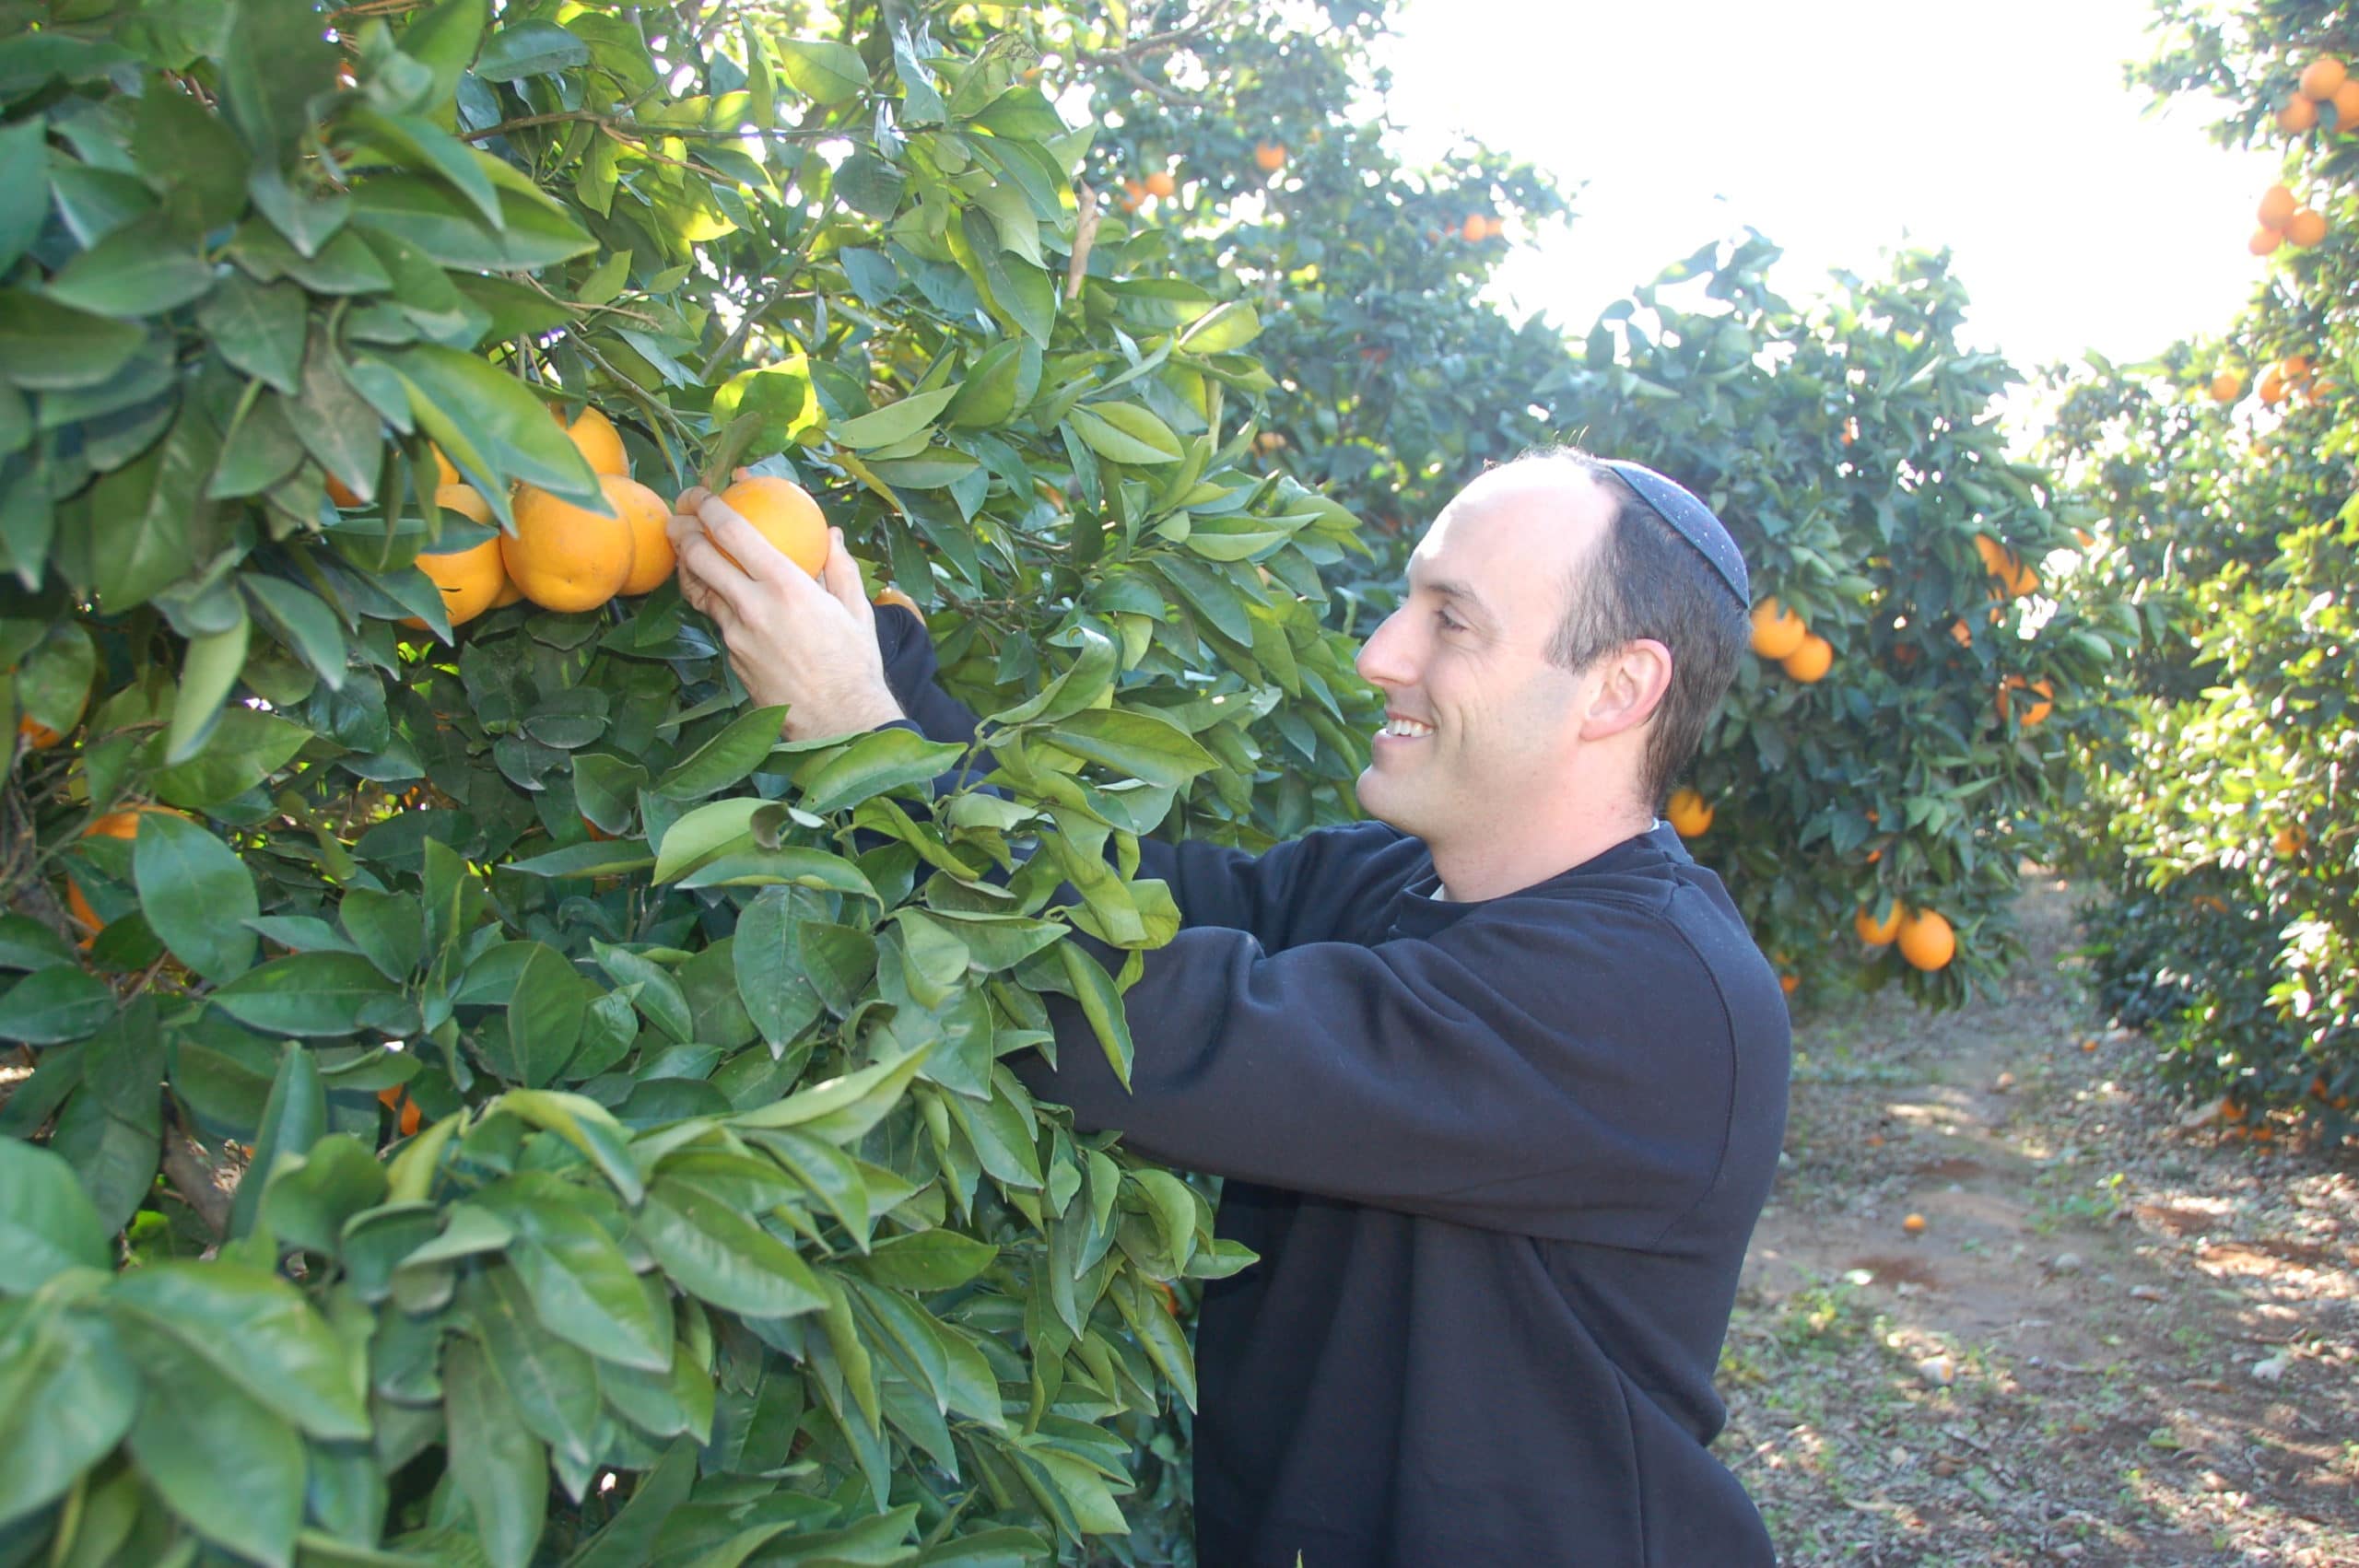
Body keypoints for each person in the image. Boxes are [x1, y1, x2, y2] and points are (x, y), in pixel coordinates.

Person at [667, 448, 1790, 1568]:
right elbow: (1120, 890)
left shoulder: (1655, 998)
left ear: (1619, 687)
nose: (1377, 653)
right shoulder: (1391, 880)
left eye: (1450, 620)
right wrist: (871, 658)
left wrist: (866, 742)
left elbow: (1155, 1032)